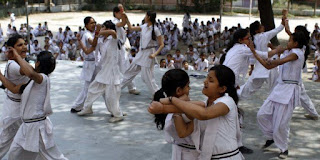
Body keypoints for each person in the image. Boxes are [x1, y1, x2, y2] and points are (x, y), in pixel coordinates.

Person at [148, 65, 244, 160]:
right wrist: (162, 108)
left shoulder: (227, 101)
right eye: (206, 77)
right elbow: (184, 109)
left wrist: (171, 99)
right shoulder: (205, 104)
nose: (205, 81)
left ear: (222, 89)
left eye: (211, 80)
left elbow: (204, 114)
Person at [0, 49, 67, 160]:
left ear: (38, 63)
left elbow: (30, 72)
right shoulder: (31, 82)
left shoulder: (42, 79)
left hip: (37, 127)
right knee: (14, 154)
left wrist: (16, 56)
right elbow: (13, 88)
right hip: (27, 126)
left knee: (53, 157)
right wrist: (1, 76)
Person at [250, 32, 308, 159]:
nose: (288, 42)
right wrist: (274, 51)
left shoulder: (297, 53)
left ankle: (284, 148)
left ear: (296, 43)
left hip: (289, 90)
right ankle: (271, 137)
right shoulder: (289, 51)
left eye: (290, 40)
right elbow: (272, 61)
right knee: (262, 114)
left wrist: (257, 53)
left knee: (281, 124)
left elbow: (273, 63)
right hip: (279, 88)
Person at [152, 69, 200, 160]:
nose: (189, 88)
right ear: (179, 90)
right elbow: (182, 133)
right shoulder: (178, 112)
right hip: (190, 155)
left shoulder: (170, 109)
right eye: (187, 85)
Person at [0, 35, 30, 159]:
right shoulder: (14, 65)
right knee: (5, 139)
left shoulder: (19, 62)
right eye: (19, 45)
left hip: (20, 106)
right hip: (14, 109)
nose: (24, 47)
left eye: (24, 44)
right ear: (11, 49)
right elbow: (30, 72)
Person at [238, 19, 284, 98]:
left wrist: (252, 68)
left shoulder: (252, 39)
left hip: (259, 65)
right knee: (274, 87)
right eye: (260, 26)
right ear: (257, 30)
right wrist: (283, 21)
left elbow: (253, 55)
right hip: (268, 64)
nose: (263, 26)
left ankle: (236, 95)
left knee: (251, 86)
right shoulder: (264, 36)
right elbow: (278, 29)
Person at [121, 11, 164, 95]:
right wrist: (126, 18)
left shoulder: (155, 29)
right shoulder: (144, 26)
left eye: (145, 15)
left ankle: (157, 94)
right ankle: (117, 88)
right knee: (130, 71)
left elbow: (161, 45)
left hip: (149, 53)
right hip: (141, 52)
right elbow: (131, 28)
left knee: (147, 77)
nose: (144, 17)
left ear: (148, 17)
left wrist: (155, 54)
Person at [70, 16, 98, 113]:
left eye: (94, 22)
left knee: (100, 85)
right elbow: (92, 43)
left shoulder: (93, 33)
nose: (93, 24)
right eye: (91, 23)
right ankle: (78, 106)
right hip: (90, 64)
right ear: (86, 25)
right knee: (88, 87)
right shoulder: (87, 34)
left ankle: (83, 106)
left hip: (96, 63)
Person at [112, 7, 139, 95]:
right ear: (116, 13)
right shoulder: (114, 21)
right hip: (118, 49)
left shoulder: (118, 22)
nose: (121, 15)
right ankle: (120, 88)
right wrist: (124, 15)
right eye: (120, 13)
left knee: (126, 69)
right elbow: (123, 23)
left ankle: (131, 87)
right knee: (125, 70)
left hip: (122, 48)